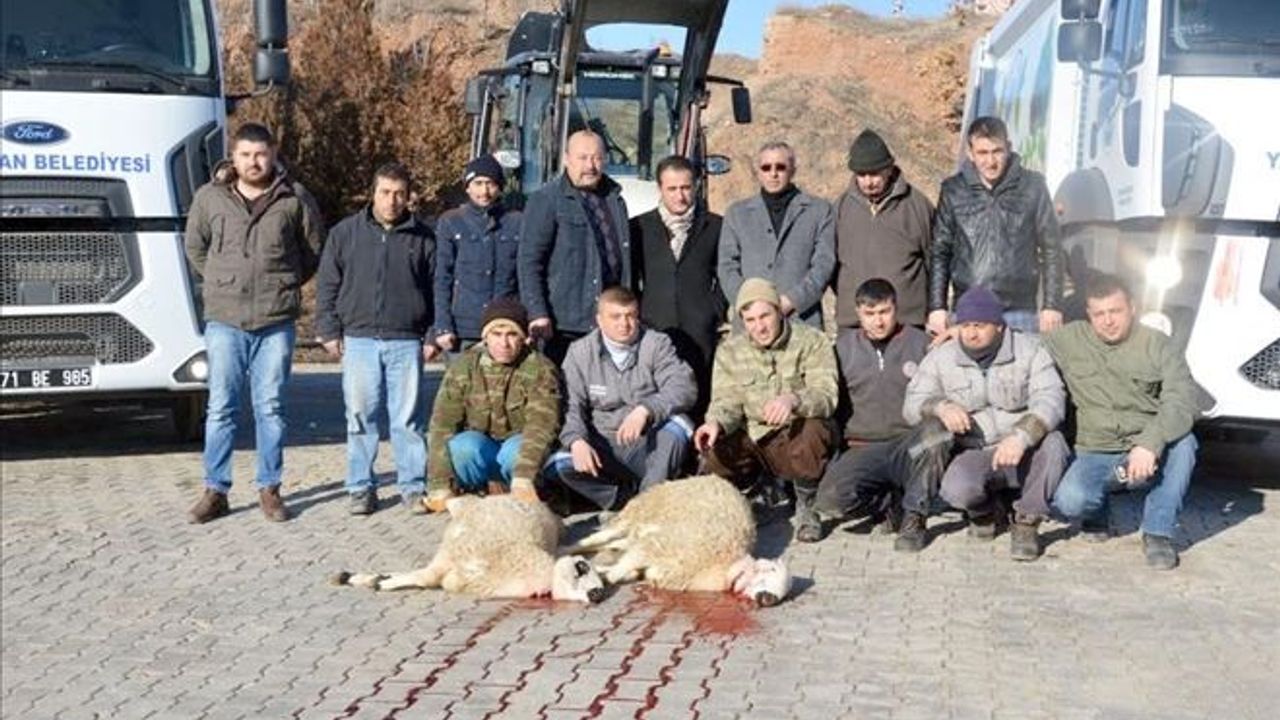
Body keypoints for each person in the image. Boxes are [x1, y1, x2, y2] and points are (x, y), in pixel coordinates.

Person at [183, 123, 324, 524]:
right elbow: (195, 247)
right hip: (225, 320)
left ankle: (269, 489)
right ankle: (215, 490)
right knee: (220, 408)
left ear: (273, 153)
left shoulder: (295, 198)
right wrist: (222, 280)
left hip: (275, 321)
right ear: (234, 155)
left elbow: (313, 250)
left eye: (260, 154)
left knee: (271, 408)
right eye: (245, 154)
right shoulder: (209, 197)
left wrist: (282, 284)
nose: (253, 162)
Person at [903, 286, 1069, 561]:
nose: (970, 333)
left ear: (999, 326)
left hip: (1023, 452)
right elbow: (911, 404)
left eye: (979, 325)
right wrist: (940, 407)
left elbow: (1051, 399)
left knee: (1055, 443)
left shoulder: (1031, 350)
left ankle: (1027, 521)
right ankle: (983, 511)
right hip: (976, 451)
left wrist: (1022, 436)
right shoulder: (941, 357)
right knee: (956, 488)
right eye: (965, 325)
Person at [1046, 274, 1199, 570]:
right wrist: (960, 330)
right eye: (1099, 314)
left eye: (1115, 311)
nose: (1108, 321)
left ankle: (1158, 532)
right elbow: (1020, 345)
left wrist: (1150, 443)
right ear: (1089, 315)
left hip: (1147, 445)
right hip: (1096, 448)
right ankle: (1097, 511)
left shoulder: (1158, 344)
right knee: (1070, 502)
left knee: (1185, 444)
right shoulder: (1070, 339)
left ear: (1132, 308)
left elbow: (1182, 400)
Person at [314, 162, 437, 516]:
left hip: (407, 340)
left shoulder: (424, 238)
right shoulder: (345, 233)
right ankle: (360, 488)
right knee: (359, 417)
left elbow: (437, 290)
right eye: (385, 192)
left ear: (409, 196)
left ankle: (412, 486)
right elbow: (328, 284)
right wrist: (328, 329)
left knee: (408, 420)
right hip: (359, 340)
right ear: (373, 193)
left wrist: (432, 334)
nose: (392, 201)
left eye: (400, 194)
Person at [693, 278, 838, 538]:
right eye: (750, 320)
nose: (759, 327)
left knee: (814, 429)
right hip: (753, 436)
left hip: (791, 437)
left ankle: (807, 505)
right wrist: (715, 423)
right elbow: (726, 401)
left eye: (765, 316)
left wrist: (794, 400)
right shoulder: (730, 351)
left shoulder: (812, 341)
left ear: (779, 311)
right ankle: (751, 494)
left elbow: (826, 395)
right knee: (714, 448)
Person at [812, 279, 945, 550]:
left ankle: (914, 517)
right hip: (863, 448)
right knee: (830, 500)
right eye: (870, 313)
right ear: (858, 314)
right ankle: (886, 504)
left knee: (937, 434)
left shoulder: (922, 344)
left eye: (885, 311)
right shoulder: (842, 349)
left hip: (909, 446)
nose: (878, 321)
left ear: (896, 308)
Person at [542, 287, 697, 511]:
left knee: (679, 425)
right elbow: (570, 404)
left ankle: (648, 504)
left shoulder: (656, 343)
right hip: (603, 446)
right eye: (615, 317)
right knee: (557, 466)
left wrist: (646, 409)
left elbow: (683, 387)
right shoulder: (579, 352)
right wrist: (576, 440)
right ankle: (621, 500)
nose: (624, 324)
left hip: (647, 446)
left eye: (630, 315)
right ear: (599, 320)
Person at [928, 116, 1063, 337]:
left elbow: (1052, 248)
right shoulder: (953, 190)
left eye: (997, 151)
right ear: (970, 153)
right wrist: (937, 306)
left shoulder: (1033, 187)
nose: (990, 162)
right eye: (982, 153)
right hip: (968, 310)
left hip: (1019, 310)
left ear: (1008, 147)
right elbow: (939, 252)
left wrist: (1052, 304)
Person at [424, 298, 561, 511]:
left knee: (515, 452)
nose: (504, 343)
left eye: (512, 334)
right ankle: (473, 494)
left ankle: (525, 494)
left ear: (523, 338)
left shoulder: (541, 368)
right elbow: (442, 424)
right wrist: (439, 485)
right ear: (485, 337)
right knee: (463, 447)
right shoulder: (464, 365)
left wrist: (524, 476)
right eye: (496, 334)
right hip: (483, 448)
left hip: (519, 451)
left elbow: (541, 426)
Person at [519, 130, 630, 363]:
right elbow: (529, 262)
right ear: (566, 159)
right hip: (564, 324)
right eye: (583, 158)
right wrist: (537, 312)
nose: (590, 166)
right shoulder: (547, 200)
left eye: (597, 158)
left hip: (608, 323)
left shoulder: (615, 199)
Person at [629, 155, 726, 418]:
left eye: (685, 187)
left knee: (699, 396)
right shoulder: (638, 227)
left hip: (699, 329)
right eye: (672, 188)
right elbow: (631, 276)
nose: (680, 196)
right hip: (654, 326)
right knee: (655, 394)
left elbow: (725, 273)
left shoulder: (716, 227)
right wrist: (639, 314)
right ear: (660, 188)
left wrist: (713, 309)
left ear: (695, 186)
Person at [719, 141, 835, 328]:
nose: (773, 174)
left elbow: (824, 265)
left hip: (801, 321)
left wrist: (792, 300)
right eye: (766, 168)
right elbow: (726, 266)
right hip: (752, 324)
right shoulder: (737, 214)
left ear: (793, 170)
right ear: (757, 172)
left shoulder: (819, 211)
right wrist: (750, 304)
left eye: (780, 167)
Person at [833, 129, 934, 329]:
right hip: (855, 324)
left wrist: (933, 308)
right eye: (862, 175)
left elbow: (935, 262)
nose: (868, 182)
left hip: (907, 322)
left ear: (889, 169)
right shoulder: (841, 208)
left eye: (874, 174)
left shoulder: (917, 205)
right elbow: (832, 264)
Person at [433, 155, 522, 354]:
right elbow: (442, 279)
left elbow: (524, 276)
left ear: (500, 187)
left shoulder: (517, 222)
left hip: (505, 328)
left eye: (490, 184)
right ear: (467, 187)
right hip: (464, 330)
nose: (484, 191)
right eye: (478, 183)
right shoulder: (451, 222)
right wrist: (442, 326)